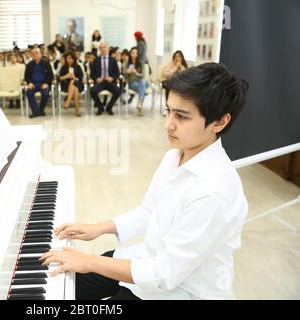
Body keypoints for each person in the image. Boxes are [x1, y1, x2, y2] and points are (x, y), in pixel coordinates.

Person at [41, 62, 250, 300]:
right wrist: (98, 228)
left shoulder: (215, 193)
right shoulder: (175, 155)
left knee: (80, 274)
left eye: (181, 116)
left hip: (178, 290)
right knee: (60, 284)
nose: (168, 124)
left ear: (219, 122)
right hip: (147, 259)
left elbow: (163, 275)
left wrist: (89, 261)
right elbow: (149, 212)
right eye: (168, 111)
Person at [90, 42, 121, 116]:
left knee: (118, 91)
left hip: (110, 82)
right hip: (100, 82)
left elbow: (117, 73)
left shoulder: (113, 60)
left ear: (107, 48)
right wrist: (96, 79)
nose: (102, 49)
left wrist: (112, 78)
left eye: (104, 47)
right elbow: (92, 74)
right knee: (92, 91)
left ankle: (109, 107)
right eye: (101, 48)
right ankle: (100, 107)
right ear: (99, 50)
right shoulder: (96, 60)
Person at [24, 47, 54, 118]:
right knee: (29, 92)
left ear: (41, 54)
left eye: (37, 53)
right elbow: (26, 76)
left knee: (46, 93)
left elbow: (50, 75)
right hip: (33, 84)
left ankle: (41, 110)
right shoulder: (29, 65)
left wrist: (46, 83)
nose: (35, 55)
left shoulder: (46, 64)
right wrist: (29, 83)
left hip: (43, 84)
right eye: (33, 54)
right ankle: (35, 111)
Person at [59, 51, 84, 117]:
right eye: (68, 58)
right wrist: (66, 76)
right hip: (66, 85)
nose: (70, 60)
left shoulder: (78, 67)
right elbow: (60, 78)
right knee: (75, 88)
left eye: (72, 58)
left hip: (78, 84)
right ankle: (77, 110)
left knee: (73, 81)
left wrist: (75, 78)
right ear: (66, 59)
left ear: (74, 59)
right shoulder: (63, 67)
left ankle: (68, 100)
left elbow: (81, 78)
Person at [124, 47, 147, 117]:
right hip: (132, 83)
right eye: (133, 53)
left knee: (142, 82)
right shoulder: (127, 62)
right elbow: (124, 74)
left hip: (141, 81)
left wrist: (136, 73)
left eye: (136, 53)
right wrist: (127, 72)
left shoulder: (141, 62)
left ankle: (139, 104)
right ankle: (140, 106)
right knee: (143, 87)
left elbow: (143, 75)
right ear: (130, 54)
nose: (134, 54)